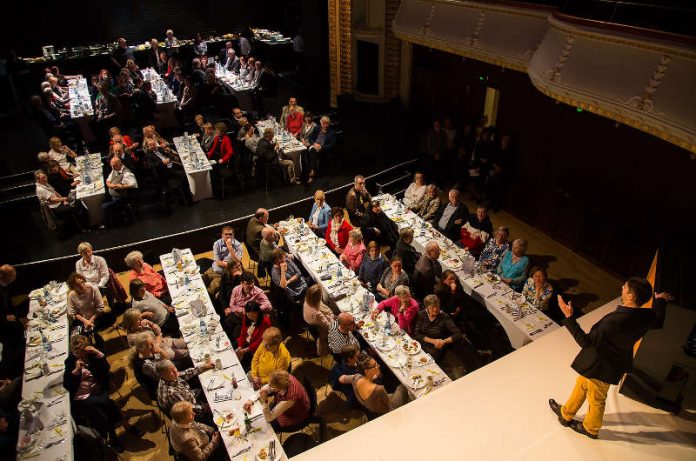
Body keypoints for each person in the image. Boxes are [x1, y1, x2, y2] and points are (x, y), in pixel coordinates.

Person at [549, 280, 672, 439]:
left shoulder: (614, 321)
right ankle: (566, 414)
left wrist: (569, 317)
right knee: (582, 384)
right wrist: (660, 300)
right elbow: (658, 320)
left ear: (630, 295)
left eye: (625, 287)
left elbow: (585, 342)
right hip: (612, 361)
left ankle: (591, 428)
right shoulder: (645, 316)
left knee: (597, 397)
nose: (621, 287)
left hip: (602, 365)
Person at [64, 335, 137, 453]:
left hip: (97, 389)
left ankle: (114, 437)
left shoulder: (93, 355)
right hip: (82, 396)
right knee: (107, 404)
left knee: (107, 407)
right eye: (76, 353)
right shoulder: (71, 361)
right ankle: (124, 427)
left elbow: (105, 370)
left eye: (82, 352)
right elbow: (67, 385)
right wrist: (76, 371)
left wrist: (98, 353)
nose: (79, 355)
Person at [337, 356, 409, 415]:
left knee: (393, 393)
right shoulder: (379, 389)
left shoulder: (356, 378)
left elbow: (341, 378)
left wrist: (370, 377)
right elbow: (389, 407)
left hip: (370, 406)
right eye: (375, 365)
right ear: (367, 371)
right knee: (402, 386)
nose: (378, 365)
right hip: (387, 409)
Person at [244, 370, 310, 430]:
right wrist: (251, 400)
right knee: (263, 414)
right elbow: (266, 388)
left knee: (266, 426)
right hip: (285, 404)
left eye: (271, 387)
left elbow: (269, 418)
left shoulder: (290, 397)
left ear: (279, 388)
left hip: (295, 415)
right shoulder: (283, 377)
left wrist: (264, 400)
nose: (268, 387)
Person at [75, 242, 122, 312]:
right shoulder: (78, 263)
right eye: (85, 253)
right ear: (81, 254)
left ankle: (111, 307)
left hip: (101, 285)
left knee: (104, 292)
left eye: (89, 251)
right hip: (87, 286)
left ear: (91, 250)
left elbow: (105, 276)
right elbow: (80, 278)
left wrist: (98, 287)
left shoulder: (100, 260)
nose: (88, 254)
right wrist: (86, 286)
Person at [415, 294, 463, 361]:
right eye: (432, 307)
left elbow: (458, 334)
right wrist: (433, 341)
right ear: (427, 308)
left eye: (437, 306)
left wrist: (443, 341)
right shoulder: (422, 314)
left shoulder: (444, 317)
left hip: (435, 348)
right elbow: (417, 334)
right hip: (421, 344)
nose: (435, 309)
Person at [225, 271, 272, 338]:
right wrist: (243, 310)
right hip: (235, 315)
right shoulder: (236, 289)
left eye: (252, 282)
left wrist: (253, 309)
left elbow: (269, 306)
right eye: (248, 283)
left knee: (235, 336)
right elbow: (232, 306)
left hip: (247, 320)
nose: (251, 285)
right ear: (241, 283)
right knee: (225, 327)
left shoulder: (258, 292)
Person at [203, 226, 243, 296]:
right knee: (200, 282)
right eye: (226, 234)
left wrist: (230, 248)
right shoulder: (217, 244)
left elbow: (238, 261)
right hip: (214, 269)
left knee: (209, 292)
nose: (228, 236)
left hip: (223, 274)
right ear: (222, 235)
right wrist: (232, 265)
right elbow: (218, 263)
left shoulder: (238, 245)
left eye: (230, 234)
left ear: (233, 235)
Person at [103, 156, 138, 228]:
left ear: (120, 164)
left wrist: (121, 186)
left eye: (114, 166)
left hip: (122, 197)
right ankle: (115, 219)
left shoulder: (126, 173)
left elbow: (133, 184)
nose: (112, 168)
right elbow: (108, 180)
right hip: (113, 195)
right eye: (112, 166)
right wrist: (110, 185)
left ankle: (108, 225)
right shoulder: (115, 169)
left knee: (104, 206)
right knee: (101, 198)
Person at [303, 285, 336, 356]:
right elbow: (330, 328)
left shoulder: (307, 301)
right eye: (321, 295)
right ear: (318, 298)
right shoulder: (318, 314)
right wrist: (332, 317)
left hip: (311, 324)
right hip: (324, 333)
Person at [236, 301, 272, 367]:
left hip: (255, 347)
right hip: (246, 343)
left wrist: (246, 350)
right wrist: (240, 346)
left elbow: (260, 341)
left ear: (257, 312)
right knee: (233, 351)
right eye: (248, 315)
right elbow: (243, 333)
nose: (250, 317)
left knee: (243, 364)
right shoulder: (246, 317)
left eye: (252, 315)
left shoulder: (265, 322)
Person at [305, 116, 335, 183]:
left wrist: (321, 147)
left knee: (312, 152)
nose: (326, 125)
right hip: (314, 146)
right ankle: (312, 172)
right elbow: (310, 138)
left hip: (323, 150)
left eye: (327, 123)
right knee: (313, 151)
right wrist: (314, 144)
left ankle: (312, 173)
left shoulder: (331, 132)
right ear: (321, 123)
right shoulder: (316, 128)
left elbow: (332, 145)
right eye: (324, 123)